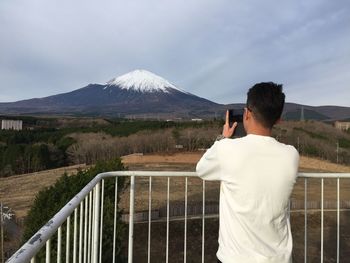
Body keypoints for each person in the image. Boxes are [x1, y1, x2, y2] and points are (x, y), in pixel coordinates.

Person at [196, 82, 299, 263]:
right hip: (279, 258)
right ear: (278, 119)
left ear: (247, 113)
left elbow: (201, 170)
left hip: (235, 258)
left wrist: (222, 138)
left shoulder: (226, 149)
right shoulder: (291, 155)